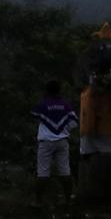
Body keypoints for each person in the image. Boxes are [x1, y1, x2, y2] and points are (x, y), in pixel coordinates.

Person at [31, 79, 78, 208]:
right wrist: (64, 130)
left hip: (46, 142)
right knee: (65, 172)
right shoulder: (65, 105)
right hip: (62, 141)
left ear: (47, 90)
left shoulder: (43, 104)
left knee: (43, 173)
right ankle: (68, 200)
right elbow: (74, 122)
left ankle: (38, 202)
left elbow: (35, 116)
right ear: (59, 90)